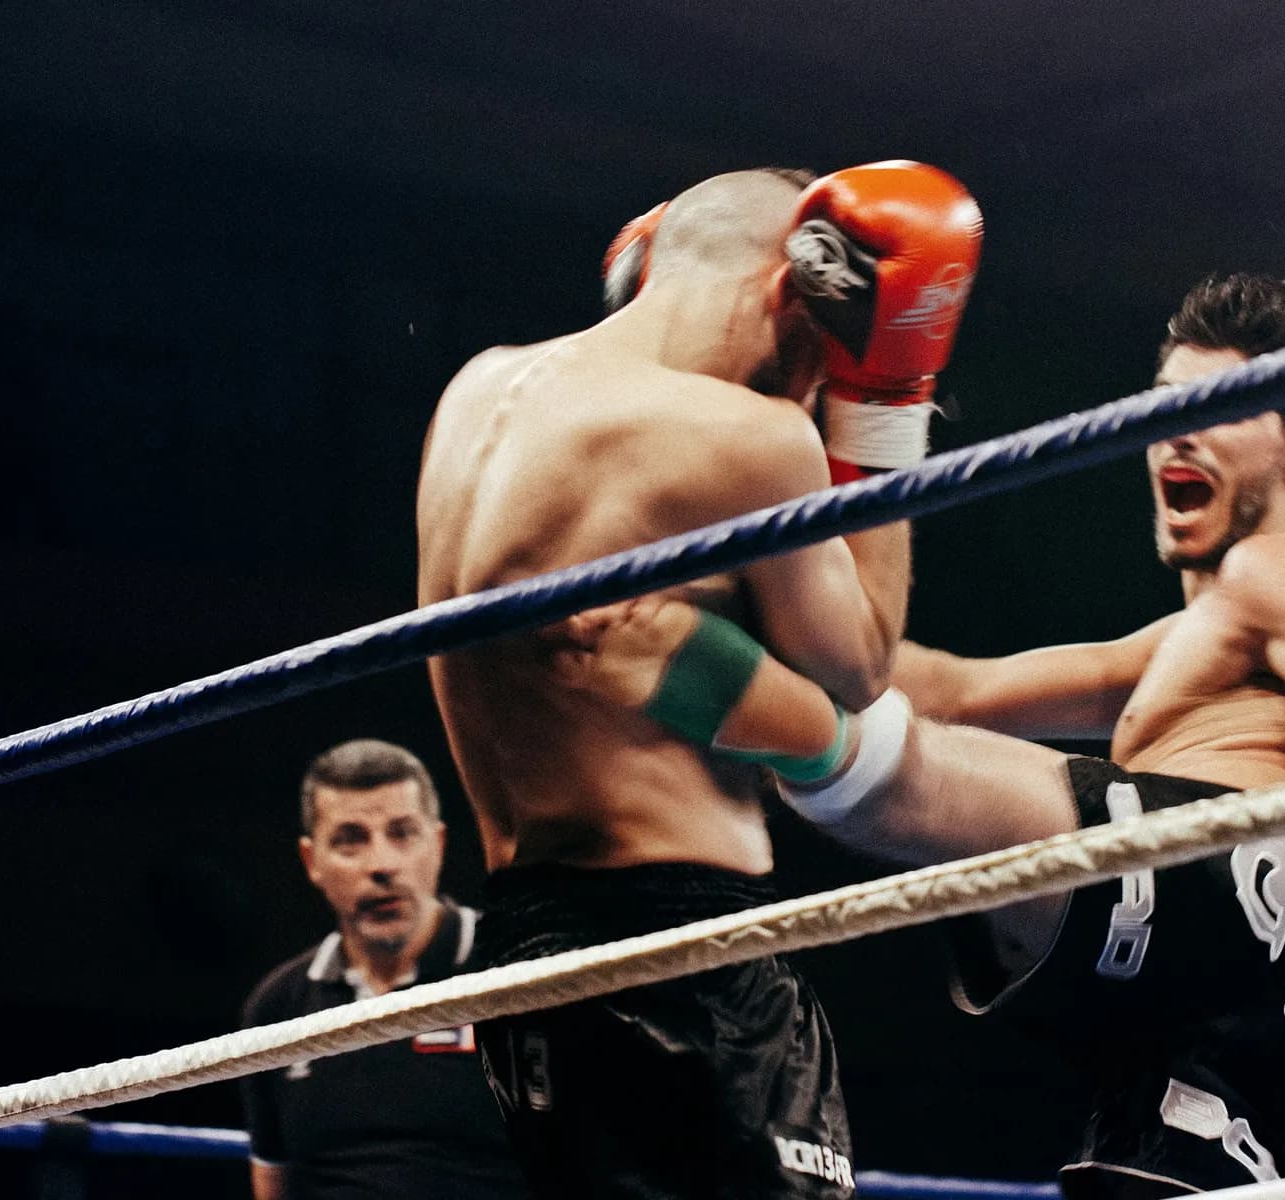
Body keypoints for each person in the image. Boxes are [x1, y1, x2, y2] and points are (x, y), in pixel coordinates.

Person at [549, 273, 1285, 1198]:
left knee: (896, 782)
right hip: (1211, 1004)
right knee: (897, 748)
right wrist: (744, 582)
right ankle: (711, 672)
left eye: (1217, 412)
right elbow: (942, 683)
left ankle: (705, 683)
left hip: (1263, 924)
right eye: (1165, 412)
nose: (1176, 438)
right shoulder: (1182, 643)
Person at [415, 162, 984, 1198]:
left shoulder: (475, 393)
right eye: (823, 360)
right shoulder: (749, 437)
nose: (812, 390)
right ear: (786, 296)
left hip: (520, 959)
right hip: (686, 968)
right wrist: (886, 400)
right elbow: (861, 664)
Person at [238, 738, 528, 1200]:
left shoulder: (516, 969)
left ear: (437, 845)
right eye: (350, 840)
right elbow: (273, 1188)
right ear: (312, 862)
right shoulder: (278, 1006)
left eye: (402, 833)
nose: (381, 865)